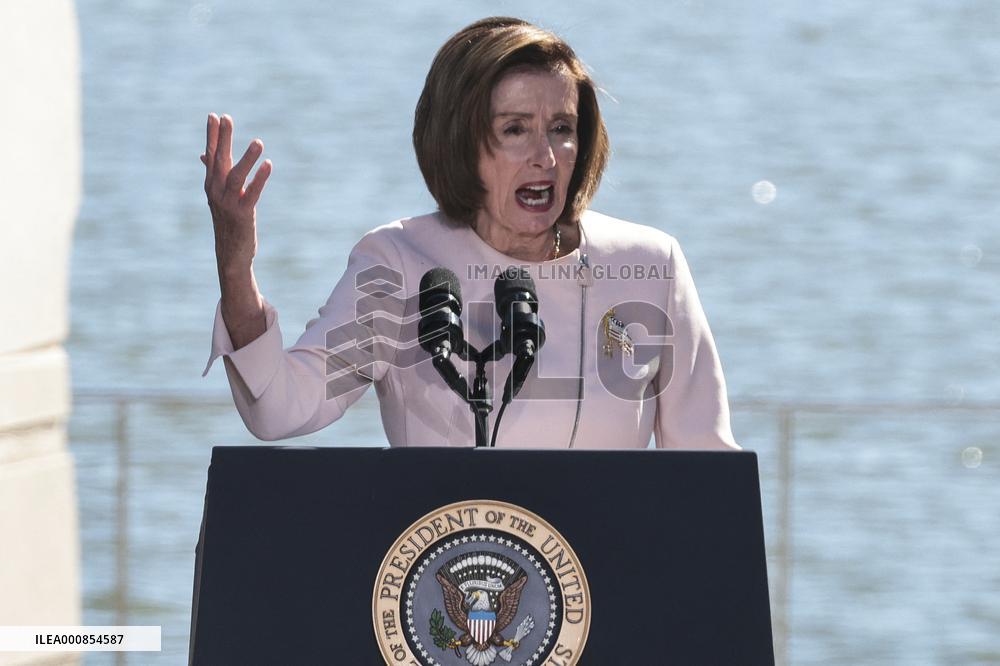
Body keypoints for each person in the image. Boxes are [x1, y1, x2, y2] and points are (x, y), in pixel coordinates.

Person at [201, 17, 739, 451]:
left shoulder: (651, 265)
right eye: (514, 130)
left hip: (609, 583)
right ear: (461, 142)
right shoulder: (400, 262)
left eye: (561, 129)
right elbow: (277, 409)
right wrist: (235, 267)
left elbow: (707, 471)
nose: (545, 157)